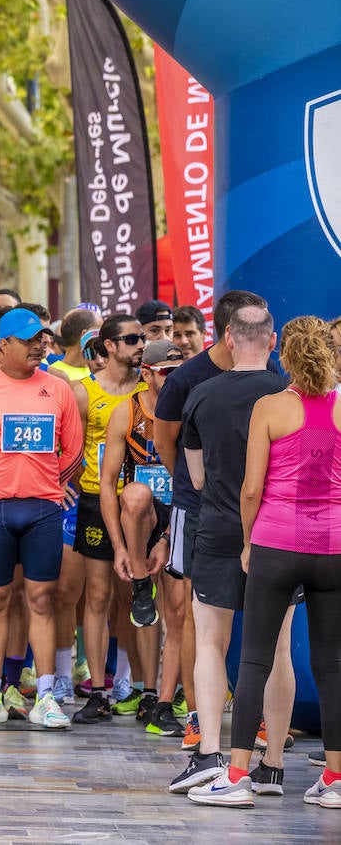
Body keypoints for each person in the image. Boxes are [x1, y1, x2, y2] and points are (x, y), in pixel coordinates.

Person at [188, 316, 341, 809]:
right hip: (333, 548)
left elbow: (251, 487)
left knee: (254, 659)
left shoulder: (271, 407)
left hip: (277, 544)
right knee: (332, 665)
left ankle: (234, 776)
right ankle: (335, 778)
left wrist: (250, 542)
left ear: (287, 356)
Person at [170, 305, 292, 795]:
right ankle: (274, 767)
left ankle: (208, 754)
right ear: (273, 340)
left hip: (218, 526)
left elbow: (196, 478)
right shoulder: (289, 397)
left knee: (210, 643)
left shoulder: (200, 394)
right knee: (278, 649)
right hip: (276, 532)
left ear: (225, 338)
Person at [0, 308, 81, 729]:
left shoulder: (58, 389)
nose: (40, 346)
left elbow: (73, 450)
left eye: (43, 338)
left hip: (42, 511)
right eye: (29, 340)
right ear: (4, 345)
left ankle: (44, 696)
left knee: (41, 600)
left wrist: (52, 485)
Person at [154, 289, 272, 749]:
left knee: (252, 620)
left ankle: (252, 715)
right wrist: (190, 483)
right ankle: (198, 716)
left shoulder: (272, 377)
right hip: (197, 507)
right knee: (191, 615)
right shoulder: (190, 377)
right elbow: (168, 441)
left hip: (255, 511)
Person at [97, 339, 184, 736]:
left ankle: (163, 700)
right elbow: (108, 484)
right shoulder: (126, 412)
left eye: (178, 370)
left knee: (178, 613)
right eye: (166, 372)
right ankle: (139, 579)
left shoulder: (189, 408)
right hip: (140, 519)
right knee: (134, 492)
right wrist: (118, 548)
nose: (173, 378)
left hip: (180, 513)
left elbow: (194, 480)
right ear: (146, 373)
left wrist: (170, 534)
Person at [70, 315, 147, 724]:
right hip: (95, 500)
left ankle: (138, 688)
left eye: (143, 337)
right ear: (109, 347)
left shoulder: (149, 390)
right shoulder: (83, 392)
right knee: (97, 596)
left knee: (134, 599)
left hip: (144, 501)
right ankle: (97, 692)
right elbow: (66, 446)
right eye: (133, 339)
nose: (141, 345)